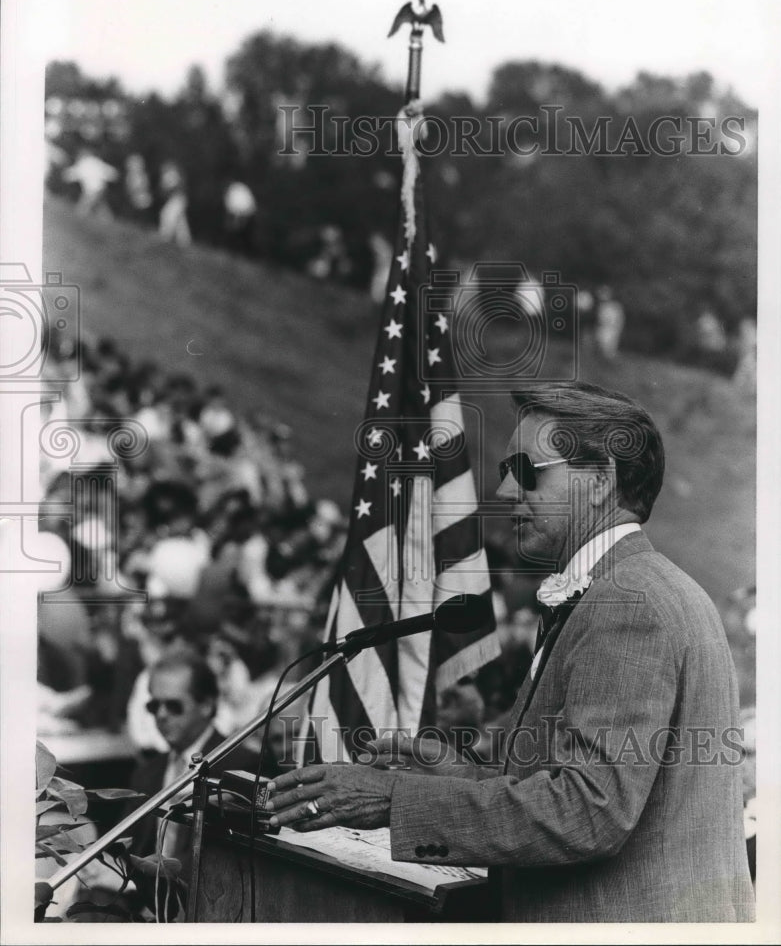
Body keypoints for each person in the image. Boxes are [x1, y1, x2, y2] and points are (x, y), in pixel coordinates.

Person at [266, 381, 754, 922]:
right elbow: (583, 790)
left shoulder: (625, 602)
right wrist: (458, 776)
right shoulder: (632, 588)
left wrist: (392, 798)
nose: (503, 491)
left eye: (527, 471)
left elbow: (588, 811)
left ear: (601, 482)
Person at [127, 652, 255, 863]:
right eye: (154, 706)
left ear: (206, 705)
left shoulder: (241, 767)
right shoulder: (147, 773)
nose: (161, 714)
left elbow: (226, 861)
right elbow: (126, 845)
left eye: (174, 706)